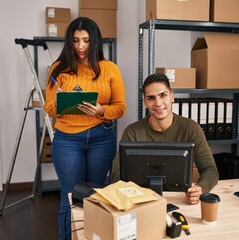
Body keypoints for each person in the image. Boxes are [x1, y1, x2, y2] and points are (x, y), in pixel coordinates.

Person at [44, 17, 126, 240]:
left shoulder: (109, 69)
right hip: (67, 140)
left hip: (102, 138)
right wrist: (61, 105)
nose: (81, 46)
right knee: (70, 197)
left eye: (86, 40)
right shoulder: (58, 69)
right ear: (69, 42)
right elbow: (48, 106)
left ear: (95, 41)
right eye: (76, 40)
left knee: (95, 196)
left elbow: (120, 107)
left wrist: (101, 111)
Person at [111, 73, 218, 205]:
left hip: (180, 201)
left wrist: (200, 188)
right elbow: (116, 173)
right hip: (140, 201)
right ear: (145, 102)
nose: (158, 103)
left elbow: (210, 170)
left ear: (172, 97)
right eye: (151, 98)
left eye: (163, 95)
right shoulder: (132, 131)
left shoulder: (191, 128)